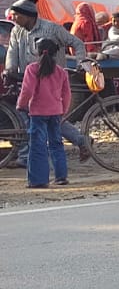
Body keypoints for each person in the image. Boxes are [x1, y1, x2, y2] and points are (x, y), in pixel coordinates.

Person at [4, 0, 90, 168]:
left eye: (17, 15)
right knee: (42, 116)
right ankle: (27, 156)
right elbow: (12, 53)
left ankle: (31, 158)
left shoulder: (52, 29)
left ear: (28, 16)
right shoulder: (17, 31)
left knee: (44, 116)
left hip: (51, 81)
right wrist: (9, 70)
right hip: (28, 79)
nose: (14, 18)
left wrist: (81, 63)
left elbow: (77, 43)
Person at [20, 38, 71, 188]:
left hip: (37, 112)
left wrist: (21, 105)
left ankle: (39, 180)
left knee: (38, 145)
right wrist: (63, 111)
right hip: (56, 112)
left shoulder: (32, 69)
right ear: (55, 53)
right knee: (56, 144)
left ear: (37, 52)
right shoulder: (61, 71)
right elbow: (67, 94)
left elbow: (27, 90)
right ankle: (61, 177)